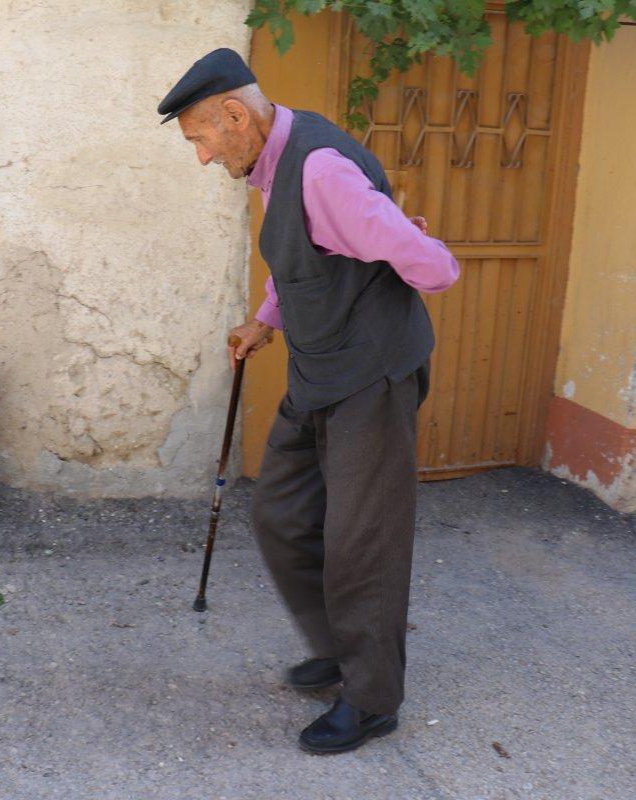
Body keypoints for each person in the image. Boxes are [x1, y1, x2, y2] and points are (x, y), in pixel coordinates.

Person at [158, 48, 459, 755]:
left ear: (235, 115)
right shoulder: (271, 160)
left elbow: (434, 268)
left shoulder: (320, 170)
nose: (201, 157)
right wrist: (266, 318)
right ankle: (338, 648)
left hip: (371, 376)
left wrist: (412, 240)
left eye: (200, 139)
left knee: (363, 543)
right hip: (319, 369)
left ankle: (372, 697)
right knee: (283, 513)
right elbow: (306, 258)